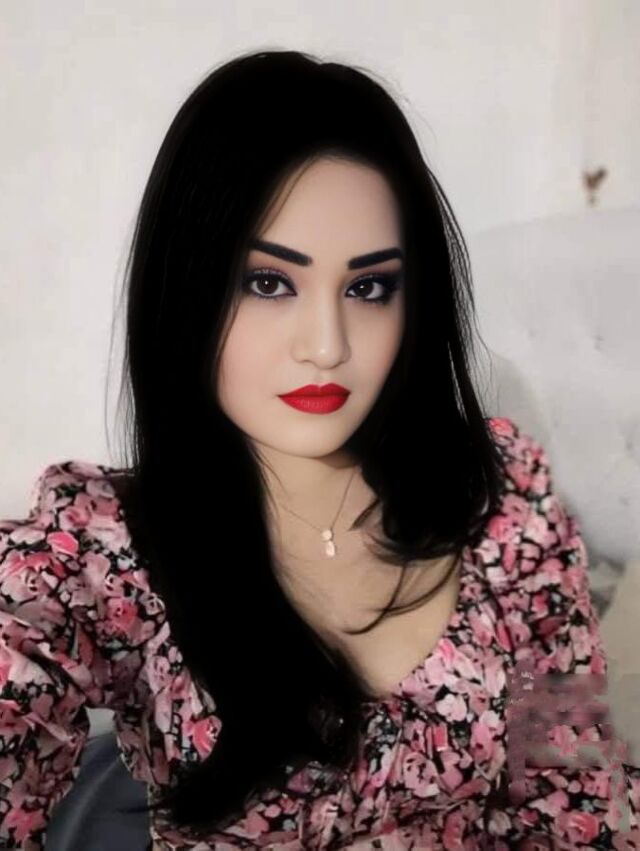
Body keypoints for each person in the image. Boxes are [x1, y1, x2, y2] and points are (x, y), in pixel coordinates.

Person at [1, 48, 639, 851]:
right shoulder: (99, 546)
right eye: (269, 282)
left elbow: (573, 784)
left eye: (368, 287)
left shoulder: (504, 497)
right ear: (187, 286)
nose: (328, 346)